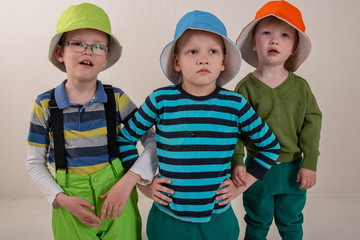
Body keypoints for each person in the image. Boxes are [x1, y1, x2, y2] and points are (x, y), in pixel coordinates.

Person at [116, 10, 280, 240]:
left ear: (223, 62)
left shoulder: (235, 105)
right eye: (192, 51)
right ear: (177, 62)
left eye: (212, 51)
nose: (203, 58)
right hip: (166, 218)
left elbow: (270, 146)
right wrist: (144, 184)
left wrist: (240, 187)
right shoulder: (160, 101)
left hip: (218, 219)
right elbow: (124, 138)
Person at [26, 3, 157, 239]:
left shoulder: (116, 98)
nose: (88, 51)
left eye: (98, 46)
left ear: (105, 58)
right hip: (70, 203)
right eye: (77, 43)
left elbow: (153, 139)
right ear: (59, 53)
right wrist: (61, 199)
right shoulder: (44, 105)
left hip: (117, 197)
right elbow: (35, 162)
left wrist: (129, 181)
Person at [232, 1, 322, 239]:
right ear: (254, 42)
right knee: (257, 221)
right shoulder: (245, 88)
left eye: (284, 35)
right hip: (257, 170)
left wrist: (310, 162)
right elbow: (234, 131)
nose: (274, 40)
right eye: (266, 33)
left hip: (294, 168)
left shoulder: (301, 87)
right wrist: (237, 162)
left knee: (291, 221)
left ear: (293, 47)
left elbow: (312, 124)